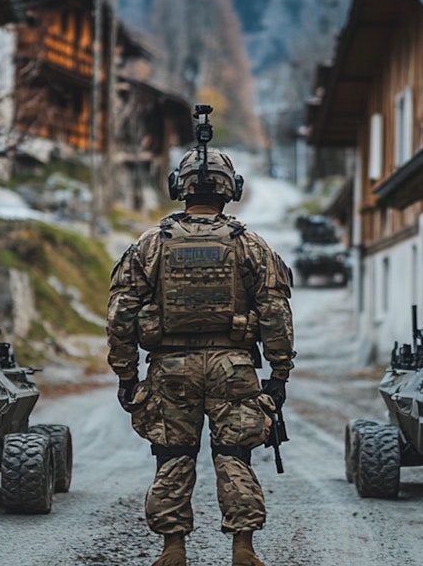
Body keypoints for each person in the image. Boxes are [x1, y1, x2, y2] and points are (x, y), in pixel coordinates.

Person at [107, 140, 295, 566]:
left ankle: (173, 550)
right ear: (231, 189)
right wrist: (280, 373)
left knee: (173, 455)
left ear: (180, 188)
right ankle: (243, 549)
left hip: (170, 369)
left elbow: (121, 313)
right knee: (234, 455)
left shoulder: (152, 243)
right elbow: (275, 311)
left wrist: (126, 375)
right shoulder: (251, 245)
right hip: (234, 368)